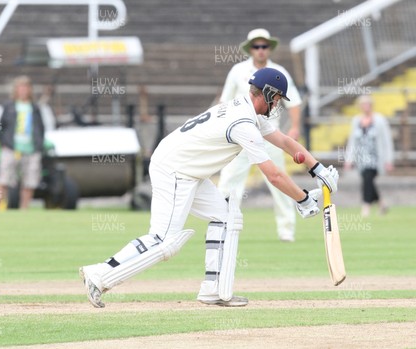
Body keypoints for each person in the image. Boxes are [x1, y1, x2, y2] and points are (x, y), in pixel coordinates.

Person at [79, 68, 339, 308]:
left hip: (189, 169)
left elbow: (285, 142)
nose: (277, 105)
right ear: (268, 94)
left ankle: (213, 289)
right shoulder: (244, 124)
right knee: (164, 242)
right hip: (175, 170)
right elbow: (273, 175)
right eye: (277, 99)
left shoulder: (248, 112)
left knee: (227, 217)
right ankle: (99, 275)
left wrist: (320, 170)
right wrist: (303, 199)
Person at [216, 28, 303, 243]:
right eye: (257, 46)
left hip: (269, 134)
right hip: (240, 134)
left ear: (269, 49)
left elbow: (294, 102)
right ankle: (222, 225)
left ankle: (286, 230)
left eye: (264, 46)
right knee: (228, 182)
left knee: (279, 181)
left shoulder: (279, 71)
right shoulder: (237, 70)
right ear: (250, 49)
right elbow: (224, 102)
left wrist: (295, 127)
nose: (261, 50)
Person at [0, 75, 45, 209]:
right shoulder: (9, 106)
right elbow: (1, 127)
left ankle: (24, 210)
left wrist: (39, 146)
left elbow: (41, 128)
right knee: (3, 180)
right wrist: (4, 143)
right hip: (11, 148)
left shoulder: (35, 108)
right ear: (16, 90)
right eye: (20, 87)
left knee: (29, 182)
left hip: (31, 149)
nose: (23, 90)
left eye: (26, 87)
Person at [344, 94, 394, 217]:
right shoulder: (356, 120)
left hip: (375, 158)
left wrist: (389, 160)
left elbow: (387, 140)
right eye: (363, 104)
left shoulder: (379, 120)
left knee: (367, 179)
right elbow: (353, 141)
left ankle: (365, 207)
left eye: (367, 104)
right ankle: (382, 203)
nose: (365, 107)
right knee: (368, 181)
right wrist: (349, 159)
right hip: (361, 158)